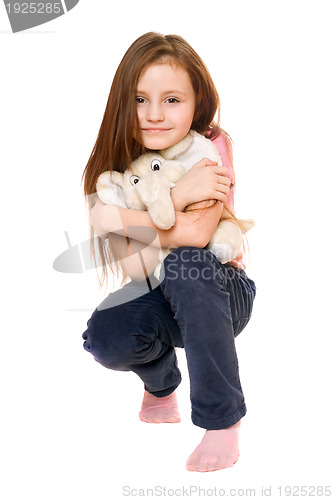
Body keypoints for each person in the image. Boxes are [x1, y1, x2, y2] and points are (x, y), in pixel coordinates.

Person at [82, 32, 256, 472]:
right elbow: (134, 265)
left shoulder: (209, 146)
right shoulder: (113, 166)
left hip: (220, 289)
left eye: (172, 100)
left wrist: (116, 220)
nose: (154, 115)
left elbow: (198, 236)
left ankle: (222, 421)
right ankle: (161, 386)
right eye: (140, 100)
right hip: (157, 290)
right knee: (105, 335)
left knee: (185, 262)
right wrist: (179, 198)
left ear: (197, 104)